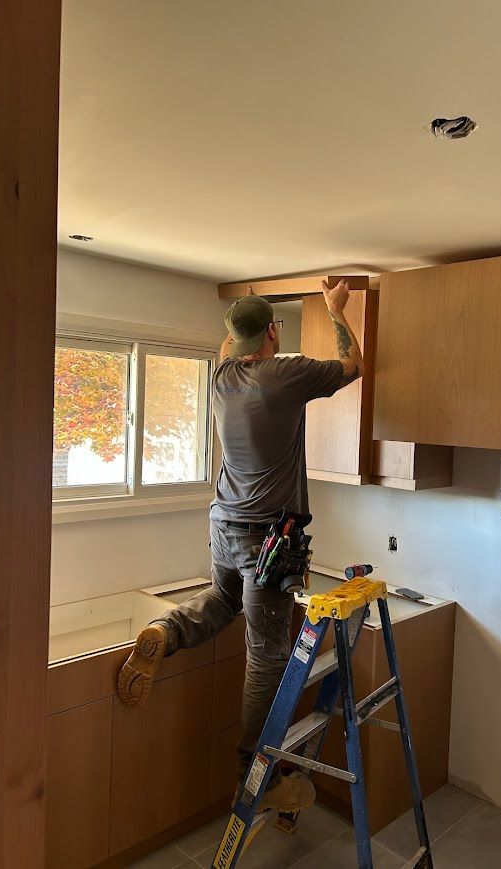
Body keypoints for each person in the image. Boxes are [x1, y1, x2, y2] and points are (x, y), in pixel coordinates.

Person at [117, 279, 364, 812]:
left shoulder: (222, 377)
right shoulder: (287, 375)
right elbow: (352, 366)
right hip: (268, 542)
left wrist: (247, 327)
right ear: (273, 332)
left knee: (223, 598)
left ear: (233, 339)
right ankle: (257, 779)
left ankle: (166, 631)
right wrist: (335, 309)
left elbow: (231, 342)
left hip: (224, 523)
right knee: (266, 655)